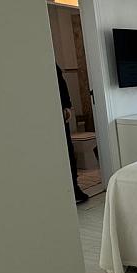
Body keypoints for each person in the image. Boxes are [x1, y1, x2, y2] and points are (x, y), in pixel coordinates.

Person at [56, 64, 89, 204]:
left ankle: (73, 187)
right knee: (66, 152)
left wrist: (67, 106)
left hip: (61, 113)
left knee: (68, 152)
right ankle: (71, 189)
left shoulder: (51, 64)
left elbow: (61, 84)